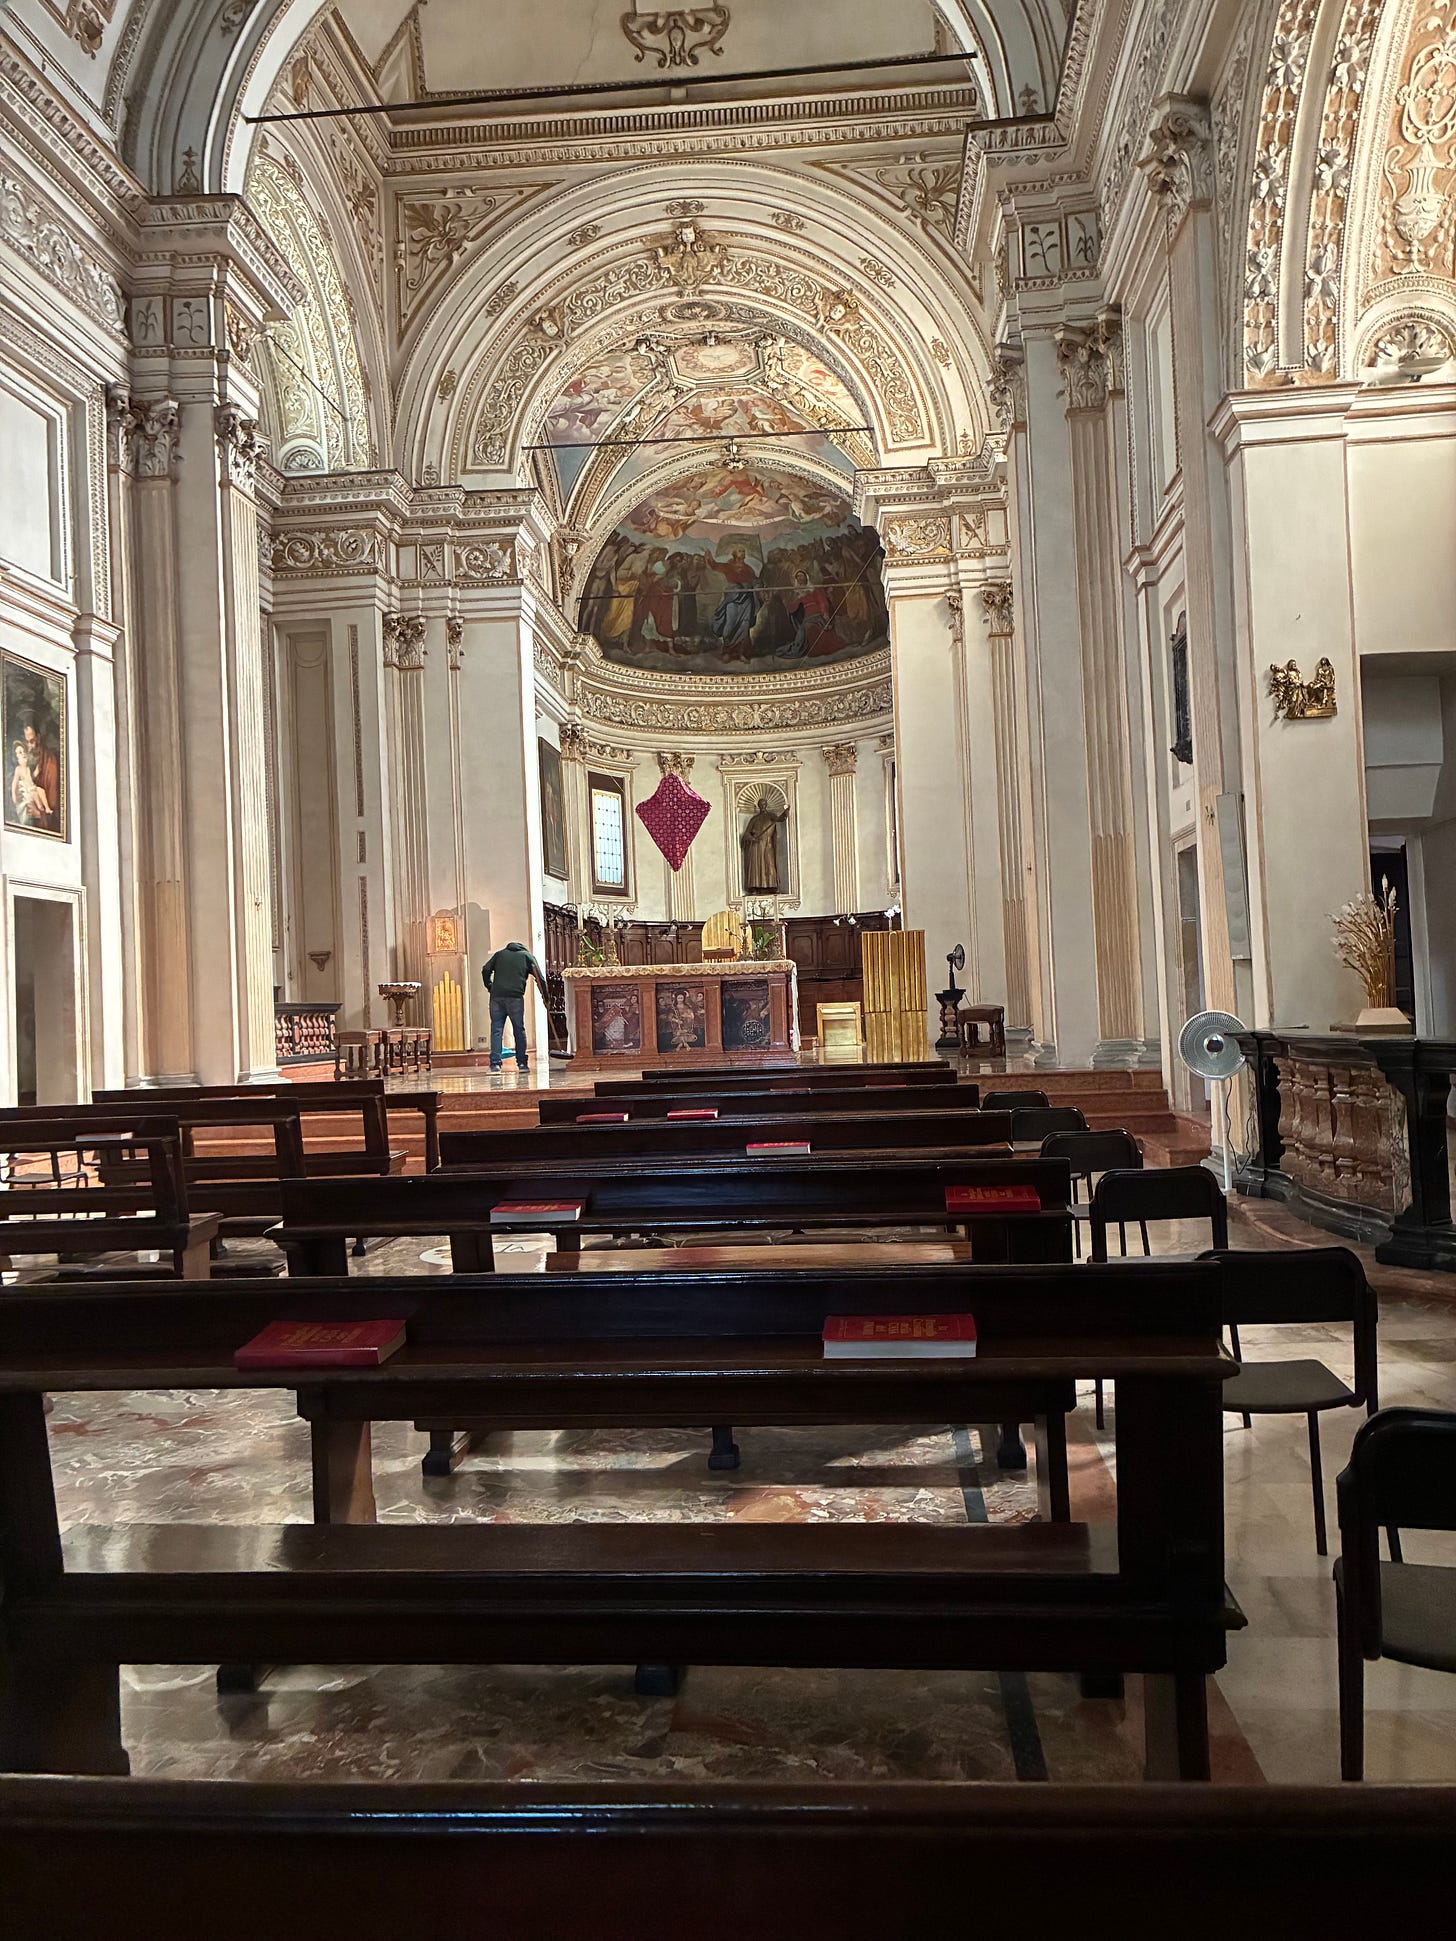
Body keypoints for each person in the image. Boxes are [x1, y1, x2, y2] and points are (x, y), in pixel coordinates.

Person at [481, 940, 549, 1073]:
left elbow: (485, 970)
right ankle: (522, 1064)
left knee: (496, 1029)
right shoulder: (526, 956)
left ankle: (495, 1064)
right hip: (515, 998)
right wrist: (546, 998)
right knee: (518, 1029)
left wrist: (490, 986)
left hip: (496, 997)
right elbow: (540, 978)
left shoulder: (499, 955)